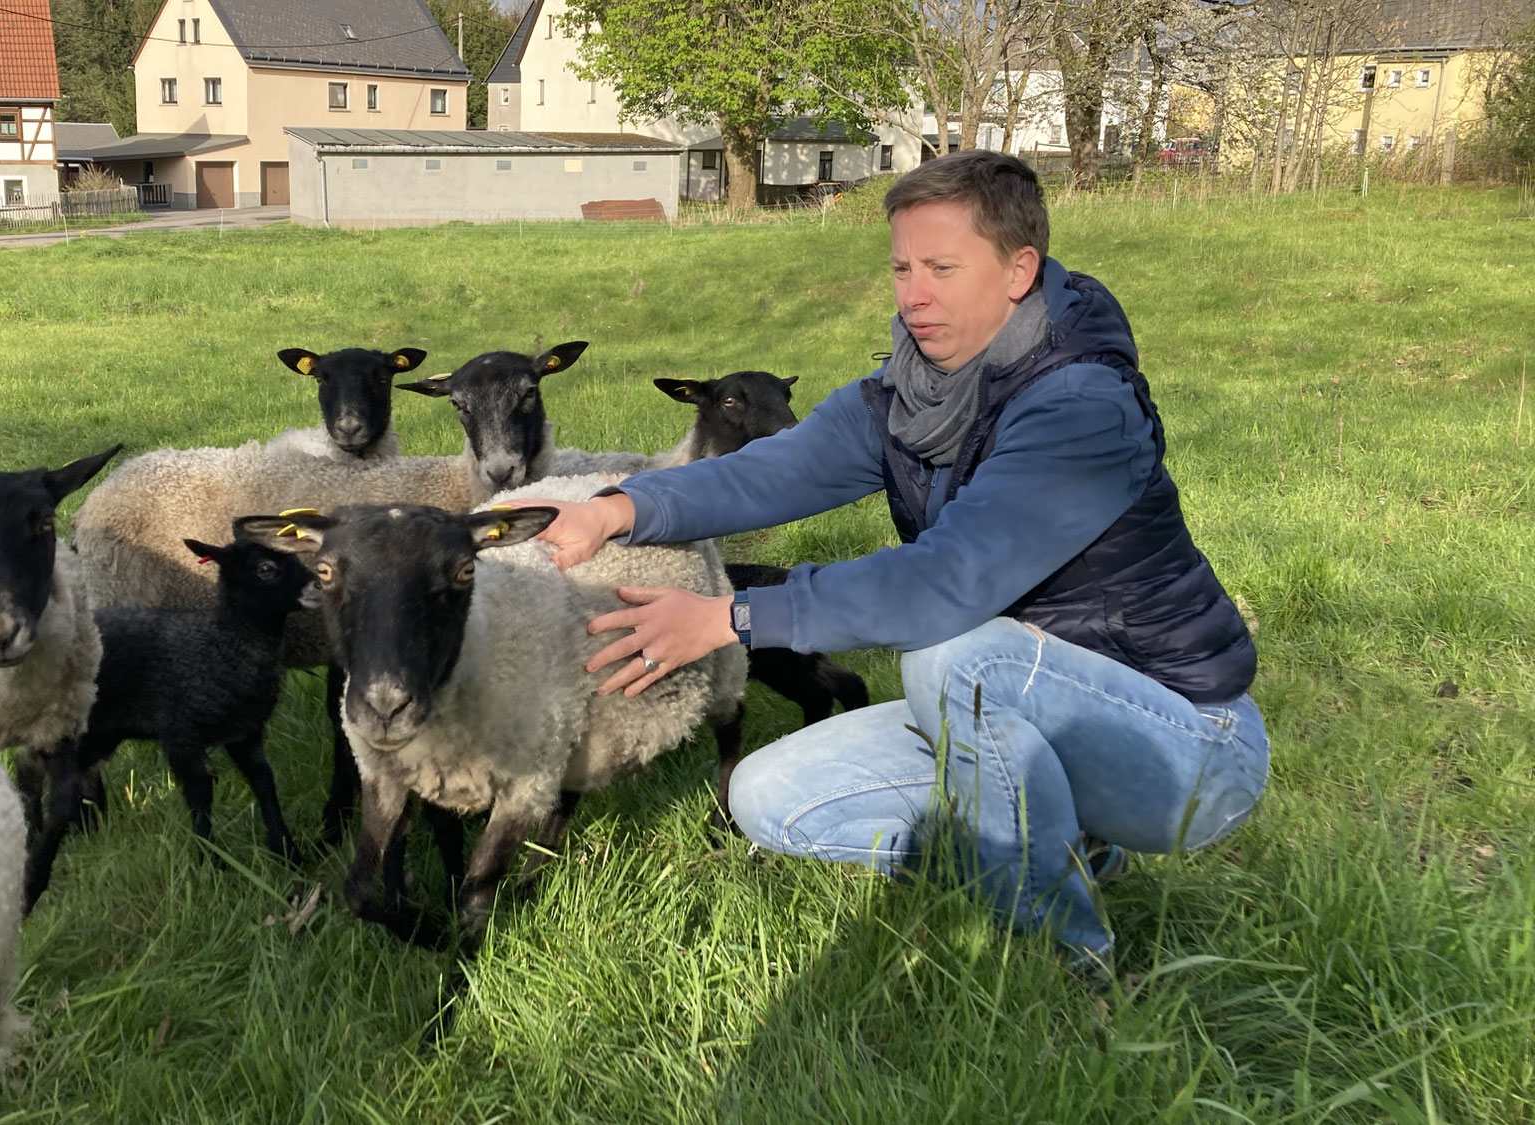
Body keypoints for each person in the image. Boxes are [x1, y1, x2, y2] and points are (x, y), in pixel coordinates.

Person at [509, 150, 1266, 970]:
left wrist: (733, 616)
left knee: (950, 654)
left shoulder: (1081, 408)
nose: (914, 293)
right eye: (902, 267)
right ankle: (1055, 844)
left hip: (1184, 744)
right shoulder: (916, 391)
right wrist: (618, 508)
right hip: (1013, 706)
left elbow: (945, 582)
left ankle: (1067, 960)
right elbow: (780, 467)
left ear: (1020, 271)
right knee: (769, 799)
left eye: (942, 266)